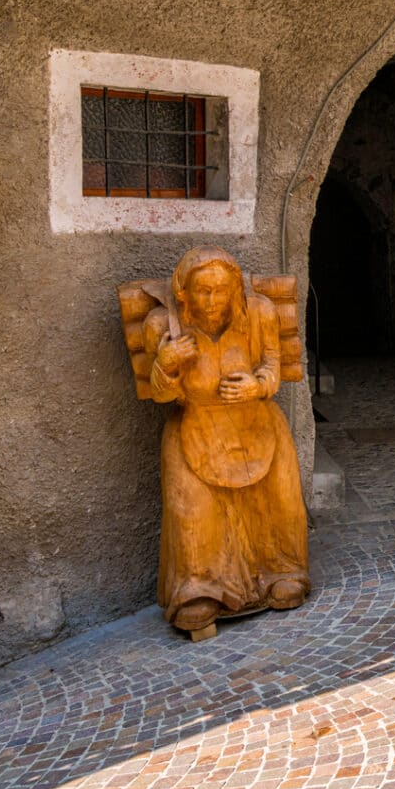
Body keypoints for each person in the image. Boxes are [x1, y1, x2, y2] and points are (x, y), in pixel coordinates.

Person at [143, 247, 310, 633]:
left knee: (279, 498)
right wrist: (165, 365)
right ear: (183, 293)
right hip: (194, 425)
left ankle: (282, 571)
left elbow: (274, 365)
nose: (213, 300)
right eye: (203, 291)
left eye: (221, 291)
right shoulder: (162, 326)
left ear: (236, 290)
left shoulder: (260, 314)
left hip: (257, 422)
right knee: (194, 509)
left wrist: (258, 385)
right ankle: (198, 589)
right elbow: (161, 397)